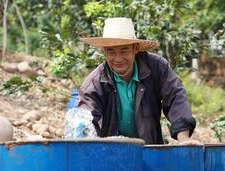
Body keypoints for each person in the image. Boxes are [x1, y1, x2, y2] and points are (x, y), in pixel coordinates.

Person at [78, 17, 198, 145]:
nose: (118, 58)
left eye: (124, 50)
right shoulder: (95, 82)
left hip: (149, 148)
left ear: (135, 48)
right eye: (111, 51)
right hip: (111, 151)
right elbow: (86, 119)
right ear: (104, 52)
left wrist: (184, 138)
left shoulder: (156, 67)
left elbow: (176, 96)